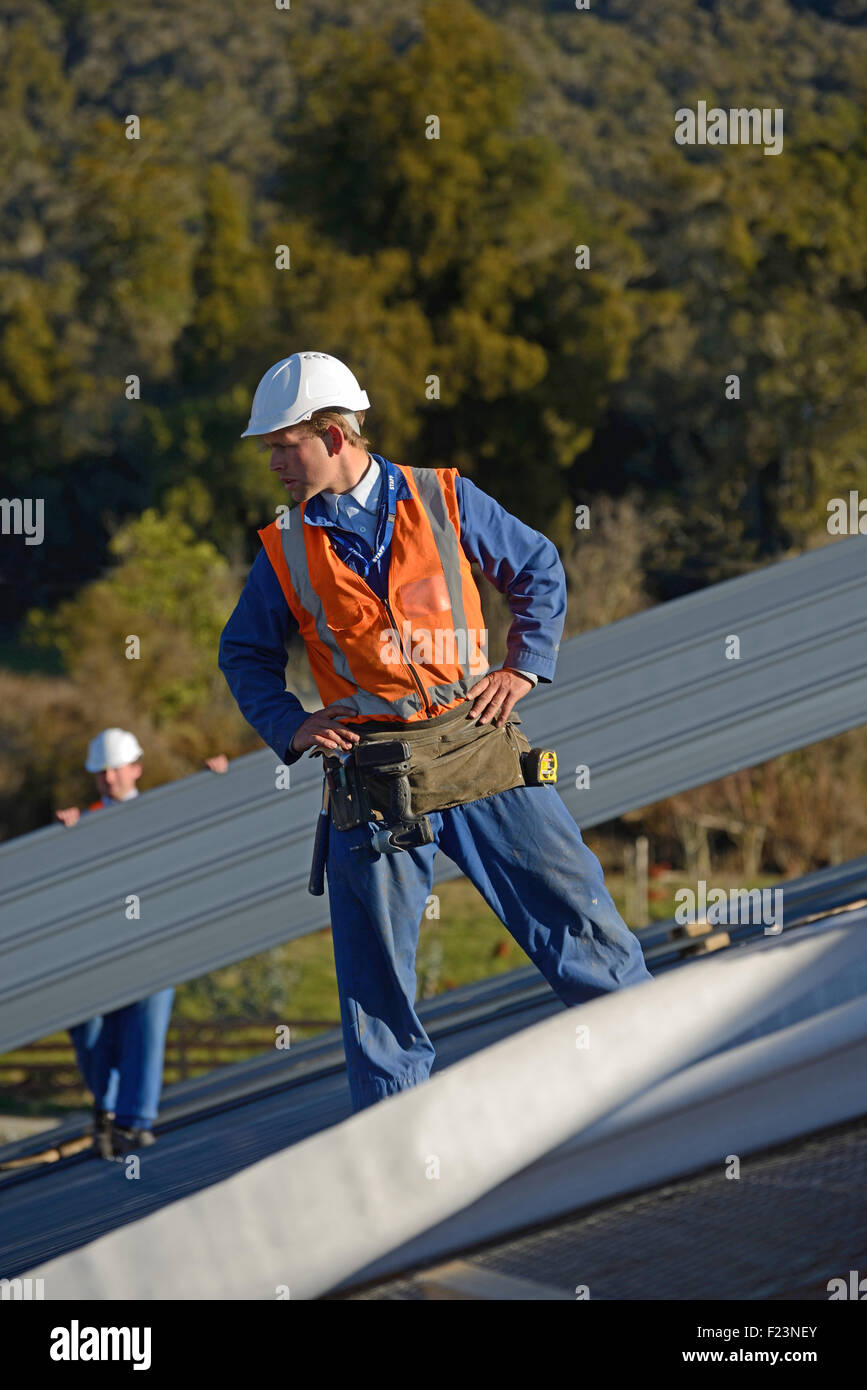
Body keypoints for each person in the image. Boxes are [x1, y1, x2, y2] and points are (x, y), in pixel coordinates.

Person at [219, 351, 653, 1113]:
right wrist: (290, 725)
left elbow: (537, 569)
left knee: (576, 920)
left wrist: (523, 666)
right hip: (372, 776)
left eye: (283, 445)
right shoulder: (285, 547)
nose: (275, 463)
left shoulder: (442, 495)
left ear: (331, 433)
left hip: (480, 744)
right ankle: (396, 1143)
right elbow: (245, 653)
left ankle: (660, 1072)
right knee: (375, 982)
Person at [56, 728, 175, 1159]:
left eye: (115, 768)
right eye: (100, 772)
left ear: (135, 768)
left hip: (149, 946)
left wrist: (216, 779)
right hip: (96, 950)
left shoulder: (160, 814)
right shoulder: (83, 820)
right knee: (88, 1030)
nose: (108, 778)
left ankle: (133, 1123)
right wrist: (65, 835)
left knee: (145, 1028)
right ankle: (106, 1111)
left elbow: (195, 829)